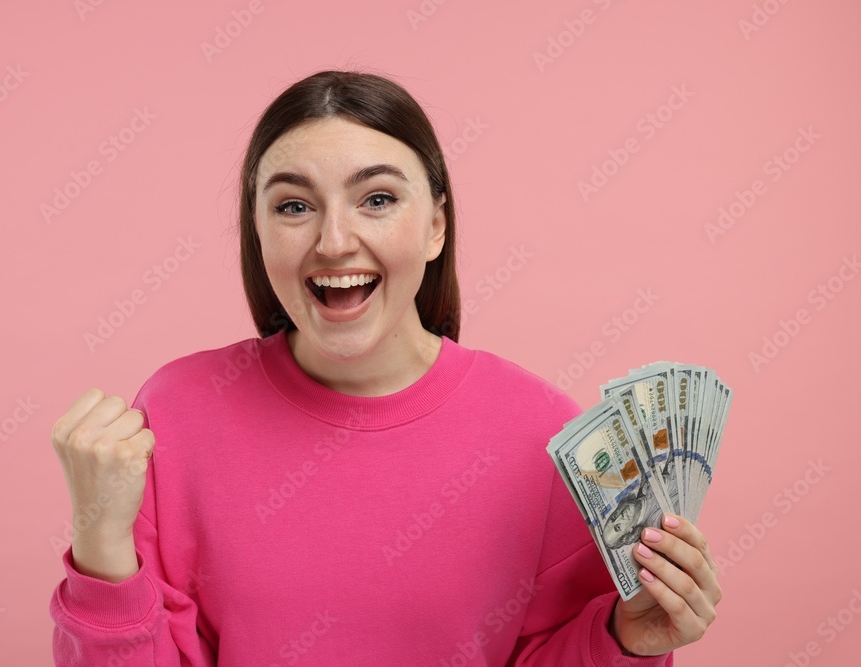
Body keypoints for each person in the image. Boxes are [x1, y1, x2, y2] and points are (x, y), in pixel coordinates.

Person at [48, 69, 722, 666]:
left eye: (376, 199)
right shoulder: (176, 413)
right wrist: (100, 543)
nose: (334, 240)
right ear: (257, 232)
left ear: (435, 225)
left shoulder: (546, 434)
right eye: (292, 205)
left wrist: (627, 640)